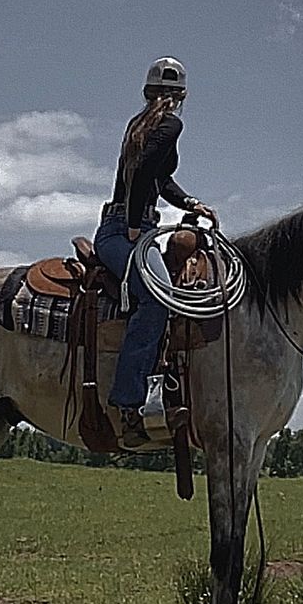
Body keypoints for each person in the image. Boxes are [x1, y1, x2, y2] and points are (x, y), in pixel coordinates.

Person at [94, 57, 217, 448]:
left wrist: (190, 203)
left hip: (126, 227)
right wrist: (133, 222)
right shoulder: (172, 123)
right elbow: (145, 171)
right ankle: (130, 406)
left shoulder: (139, 124)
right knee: (156, 302)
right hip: (125, 230)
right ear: (182, 95)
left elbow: (160, 179)